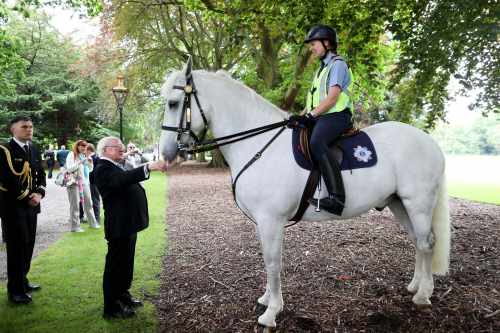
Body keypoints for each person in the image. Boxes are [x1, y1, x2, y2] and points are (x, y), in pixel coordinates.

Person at [94, 136, 167, 319]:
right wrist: (149, 166)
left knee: (126, 264)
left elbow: (126, 176)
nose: (122, 149)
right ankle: (111, 307)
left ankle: (123, 295)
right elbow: (122, 179)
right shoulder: (102, 168)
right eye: (118, 147)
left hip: (128, 223)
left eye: (122, 146)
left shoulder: (116, 164)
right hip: (118, 225)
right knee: (115, 266)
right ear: (106, 150)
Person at [300, 24, 354, 215]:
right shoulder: (321, 70)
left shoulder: (337, 64)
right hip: (323, 115)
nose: (311, 48)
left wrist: (311, 115)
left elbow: (332, 98)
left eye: (314, 44)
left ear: (327, 43)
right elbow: (315, 99)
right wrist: (300, 116)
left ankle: (337, 198)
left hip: (338, 115)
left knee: (317, 141)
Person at [0, 116, 46, 304]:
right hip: (13, 206)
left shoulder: (33, 148)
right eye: (24, 127)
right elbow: (6, 179)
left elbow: (40, 174)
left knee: (28, 244)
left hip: (31, 206)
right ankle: (15, 291)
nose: (29, 130)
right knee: (17, 247)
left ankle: (23, 281)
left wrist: (40, 193)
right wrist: (29, 196)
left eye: (31, 126)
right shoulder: (4, 150)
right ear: (13, 129)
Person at [65, 140, 99, 232]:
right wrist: (80, 162)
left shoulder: (83, 155)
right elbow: (69, 168)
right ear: (77, 146)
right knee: (75, 205)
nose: (84, 148)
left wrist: (90, 162)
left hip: (84, 182)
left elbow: (90, 169)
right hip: (73, 182)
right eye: (82, 146)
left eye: (85, 146)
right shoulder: (71, 155)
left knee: (89, 203)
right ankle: (75, 227)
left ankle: (93, 223)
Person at [86, 143, 101, 225]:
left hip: (93, 182)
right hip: (93, 182)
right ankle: (94, 217)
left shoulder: (93, 158)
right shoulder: (96, 157)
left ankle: (97, 219)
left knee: (95, 200)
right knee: (94, 199)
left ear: (89, 150)